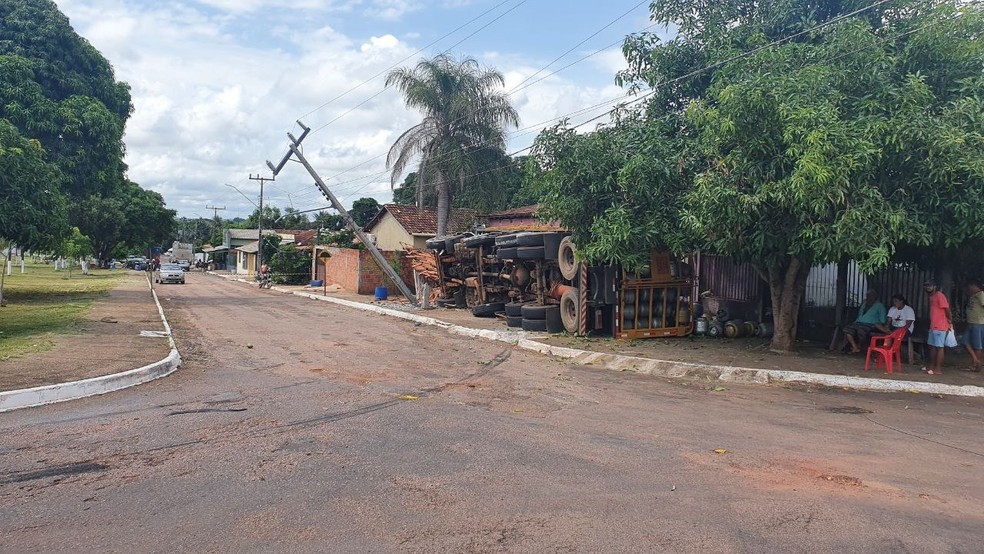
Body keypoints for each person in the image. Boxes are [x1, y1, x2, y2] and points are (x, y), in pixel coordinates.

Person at [842, 289, 887, 353]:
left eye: (870, 296)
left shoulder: (880, 306)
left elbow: (883, 320)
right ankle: (855, 347)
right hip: (858, 323)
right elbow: (859, 315)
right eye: (867, 296)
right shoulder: (864, 304)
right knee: (847, 330)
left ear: (875, 297)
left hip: (870, 324)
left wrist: (876, 323)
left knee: (861, 331)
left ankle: (859, 346)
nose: (868, 297)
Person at [923, 279, 952, 375]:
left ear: (935, 286)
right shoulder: (932, 296)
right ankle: (931, 366)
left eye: (930, 286)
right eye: (926, 286)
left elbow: (947, 309)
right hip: (933, 325)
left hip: (940, 325)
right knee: (932, 346)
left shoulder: (939, 295)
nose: (928, 287)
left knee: (939, 347)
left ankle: (938, 369)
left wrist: (949, 320)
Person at [964, 279, 984, 372]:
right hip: (971, 322)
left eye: (970, 286)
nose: (969, 288)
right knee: (965, 340)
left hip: (978, 323)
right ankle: (976, 360)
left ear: (975, 286)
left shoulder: (981, 294)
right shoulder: (973, 296)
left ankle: (977, 365)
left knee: (977, 345)